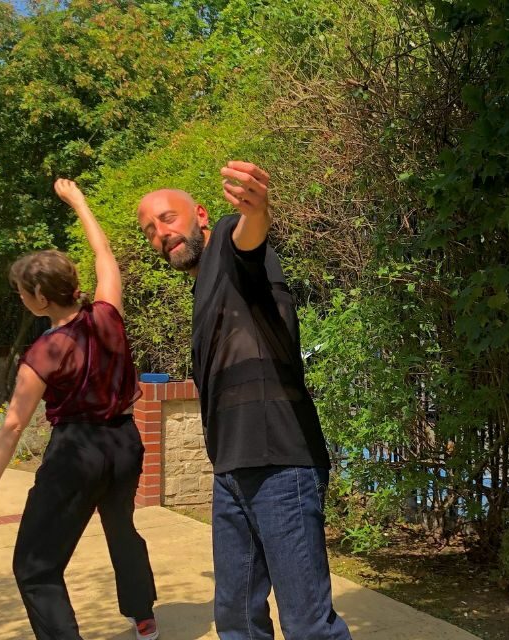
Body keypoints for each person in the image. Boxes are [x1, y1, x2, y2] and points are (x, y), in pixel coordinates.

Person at [136, 162, 350, 639]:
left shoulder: (230, 247)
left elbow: (249, 235)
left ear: (203, 215)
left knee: (307, 622)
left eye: (168, 218)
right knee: (236, 619)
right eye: (150, 229)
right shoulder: (204, 291)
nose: (160, 234)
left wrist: (257, 209)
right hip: (231, 470)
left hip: (279, 462)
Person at [0, 179, 159, 640]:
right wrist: (80, 202)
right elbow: (104, 254)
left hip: (78, 453)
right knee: (120, 527)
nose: (20, 298)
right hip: (126, 444)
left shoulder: (45, 353)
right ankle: (142, 613)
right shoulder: (108, 313)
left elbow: (13, 425)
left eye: (21, 292)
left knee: (35, 568)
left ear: (41, 299)